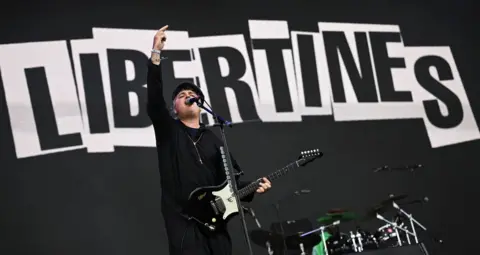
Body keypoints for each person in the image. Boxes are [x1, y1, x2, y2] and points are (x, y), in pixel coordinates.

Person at [147, 25, 272, 255]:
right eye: (181, 95)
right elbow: (154, 100)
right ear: (174, 107)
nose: (187, 96)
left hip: (215, 225)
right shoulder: (169, 130)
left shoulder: (214, 138)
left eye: (192, 95)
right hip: (184, 222)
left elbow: (229, 180)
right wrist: (156, 53)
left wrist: (253, 187)